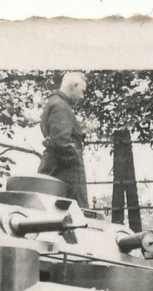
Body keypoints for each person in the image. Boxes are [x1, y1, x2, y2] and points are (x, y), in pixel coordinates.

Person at [38, 72, 89, 208]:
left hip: (55, 169)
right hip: (66, 173)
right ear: (74, 86)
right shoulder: (61, 107)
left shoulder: (54, 103)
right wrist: (75, 159)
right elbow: (60, 142)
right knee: (78, 212)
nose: (82, 96)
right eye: (82, 91)